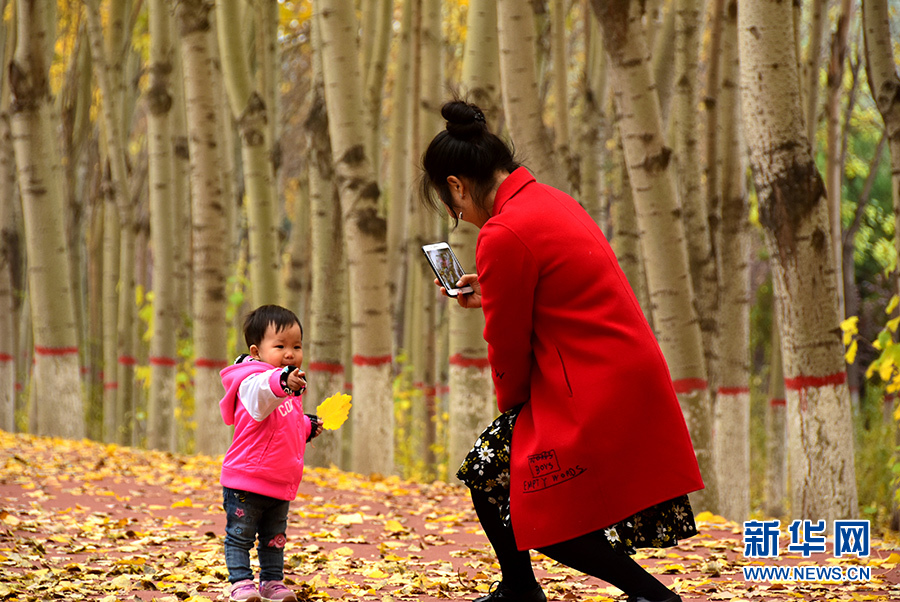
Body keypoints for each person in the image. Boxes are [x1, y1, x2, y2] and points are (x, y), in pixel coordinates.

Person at [421, 101, 705, 602]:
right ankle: (521, 588)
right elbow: (556, 293)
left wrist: (513, 407)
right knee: (492, 474)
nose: (457, 216)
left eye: (451, 204)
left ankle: (655, 597)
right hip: (614, 369)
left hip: (589, 385)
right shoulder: (548, 200)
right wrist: (491, 290)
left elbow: (505, 345)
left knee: (539, 505)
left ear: (458, 184)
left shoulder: (502, 232)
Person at [218, 304, 324, 602]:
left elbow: (280, 424)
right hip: (246, 481)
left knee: (274, 540)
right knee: (240, 536)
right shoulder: (250, 380)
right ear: (256, 352)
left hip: (278, 482)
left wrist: (306, 427)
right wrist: (280, 382)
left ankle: (272, 583)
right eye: (280, 346)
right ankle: (241, 583)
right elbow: (260, 399)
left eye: (297, 346)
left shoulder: (289, 386)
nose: (290, 353)